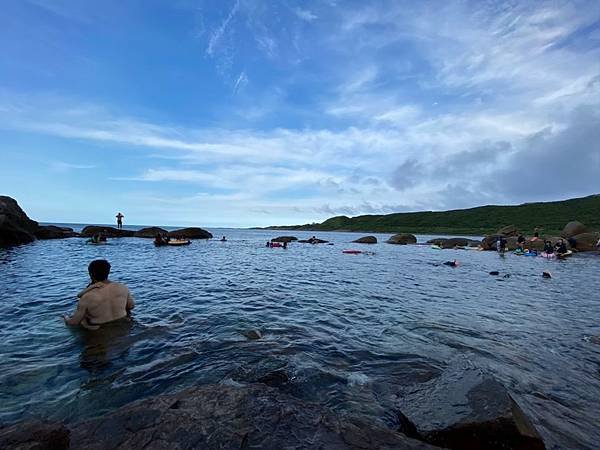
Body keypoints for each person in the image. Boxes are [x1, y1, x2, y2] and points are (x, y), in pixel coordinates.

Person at [63, 259, 135, 329]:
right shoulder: (122, 287)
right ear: (108, 272)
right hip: (122, 326)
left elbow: (73, 323)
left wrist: (66, 317)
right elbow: (131, 306)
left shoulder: (87, 297)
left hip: (100, 329)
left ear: (91, 274)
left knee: (83, 319)